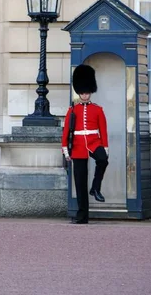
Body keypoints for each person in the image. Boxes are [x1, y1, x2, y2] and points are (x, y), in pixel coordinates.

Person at [62, 64, 109, 224]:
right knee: (80, 181)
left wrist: (105, 147)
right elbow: (66, 131)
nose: (85, 95)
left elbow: (103, 129)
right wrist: (66, 150)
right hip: (78, 145)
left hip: (94, 142)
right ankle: (82, 216)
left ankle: (95, 187)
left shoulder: (98, 109)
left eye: (87, 92)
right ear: (79, 92)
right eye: (82, 92)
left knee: (103, 160)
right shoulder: (72, 110)